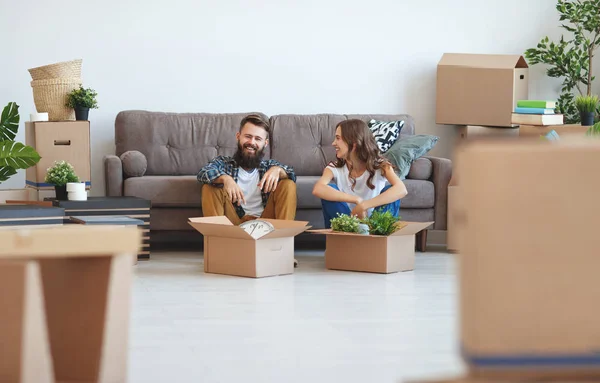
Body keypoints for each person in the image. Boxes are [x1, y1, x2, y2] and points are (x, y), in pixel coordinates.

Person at [197, 114, 297, 225]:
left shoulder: (269, 166)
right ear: (238, 136)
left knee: (288, 184)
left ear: (265, 143)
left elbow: (291, 174)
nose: (252, 142)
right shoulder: (224, 163)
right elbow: (203, 173)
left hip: (265, 222)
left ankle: (282, 239)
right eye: (248, 136)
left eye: (258, 139)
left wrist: (278, 170)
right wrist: (225, 179)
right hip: (233, 224)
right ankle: (217, 239)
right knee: (210, 187)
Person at [312, 119, 408, 228]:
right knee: (329, 188)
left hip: (375, 224)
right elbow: (318, 189)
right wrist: (356, 200)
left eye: (338, 138)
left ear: (353, 144)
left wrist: (364, 206)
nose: (334, 143)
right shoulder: (334, 167)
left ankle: (377, 238)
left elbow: (401, 189)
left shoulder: (380, 165)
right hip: (347, 222)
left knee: (391, 189)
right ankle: (342, 237)